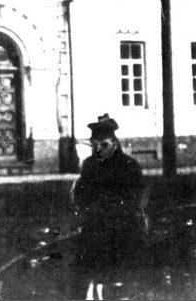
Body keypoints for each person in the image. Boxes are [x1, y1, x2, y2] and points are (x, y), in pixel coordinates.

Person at [72, 114, 146, 300]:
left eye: (103, 145)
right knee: (90, 267)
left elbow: (137, 197)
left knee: (119, 275)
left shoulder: (128, 165)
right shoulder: (89, 165)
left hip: (123, 228)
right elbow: (80, 193)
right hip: (96, 226)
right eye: (95, 145)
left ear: (114, 143)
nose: (99, 150)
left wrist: (117, 211)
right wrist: (86, 210)